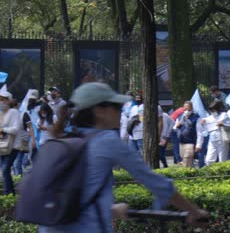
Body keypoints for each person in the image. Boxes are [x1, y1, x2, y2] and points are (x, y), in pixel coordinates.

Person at [38, 82, 208, 232]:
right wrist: (193, 211)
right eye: (117, 107)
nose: (121, 112)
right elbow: (156, 182)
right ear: (99, 111)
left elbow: (73, 198)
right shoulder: (106, 140)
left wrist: (111, 209)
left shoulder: (65, 138)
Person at [0, 88, 20, 194]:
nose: (0, 102)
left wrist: (3, 130)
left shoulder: (14, 112)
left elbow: (16, 129)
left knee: (5, 169)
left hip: (13, 146)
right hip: (0, 146)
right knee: (4, 171)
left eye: (3, 99)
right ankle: (10, 193)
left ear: (8, 101)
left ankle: (7, 193)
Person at [201, 101, 230, 166]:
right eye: (211, 110)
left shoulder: (224, 115)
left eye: (214, 110)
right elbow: (204, 130)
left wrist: (223, 124)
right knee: (209, 159)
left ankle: (223, 174)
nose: (213, 112)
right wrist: (202, 124)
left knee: (222, 159)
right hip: (212, 140)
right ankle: (211, 173)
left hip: (222, 139)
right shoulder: (208, 118)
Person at [174, 101, 199, 168]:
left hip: (190, 142)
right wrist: (177, 125)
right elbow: (174, 128)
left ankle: (186, 174)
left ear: (191, 108)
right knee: (186, 160)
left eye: (188, 108)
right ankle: (191, 173)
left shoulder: (196, 117)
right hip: (181, 142)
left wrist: (186, 119)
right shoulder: (180, 116)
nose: (186, 110)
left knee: (187, 158)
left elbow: (195, 128)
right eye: (185, 108)